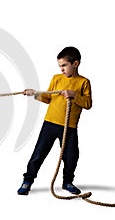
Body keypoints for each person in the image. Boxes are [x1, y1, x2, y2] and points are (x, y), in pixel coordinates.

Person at [17, 46, 92, 195]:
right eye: (60, 66)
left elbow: (88, 104)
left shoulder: (83, 82)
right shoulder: (56, 78)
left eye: (64, 65)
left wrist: (74, 95)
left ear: (75, 64)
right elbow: (48, 98)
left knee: (71, 156)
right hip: (50, 123)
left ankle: (67, 182)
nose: (61, 69)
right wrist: (34, 93)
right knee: (39, 153)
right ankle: (28, 180)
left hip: (69, 127)